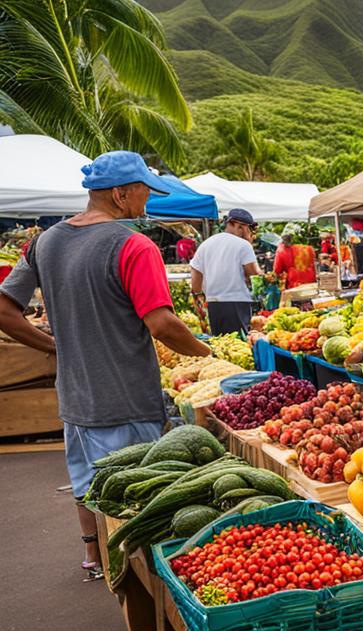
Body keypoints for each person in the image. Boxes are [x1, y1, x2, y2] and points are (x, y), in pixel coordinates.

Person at [0, 150, 210, 580]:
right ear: (119, 193)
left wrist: (55, 347)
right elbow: (162, 323)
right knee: (137, 496)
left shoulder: (45, 241)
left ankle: (94, 559)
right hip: (127, 400)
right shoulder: (134, 245)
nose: (147, 201)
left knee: (87, 484)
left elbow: (4, 309)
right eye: (143, 192)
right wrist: (207, 354)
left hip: (74, 398)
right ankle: (141, 584)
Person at [191, 209, 260, 336]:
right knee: (240, 347)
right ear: (240, 226)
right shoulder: (244, 245)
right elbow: (255, 277)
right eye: (248, 229)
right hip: (237, 303)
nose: (250, 233)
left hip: (213, 305)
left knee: (221, 345)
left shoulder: (206, 244)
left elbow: (195, 284)